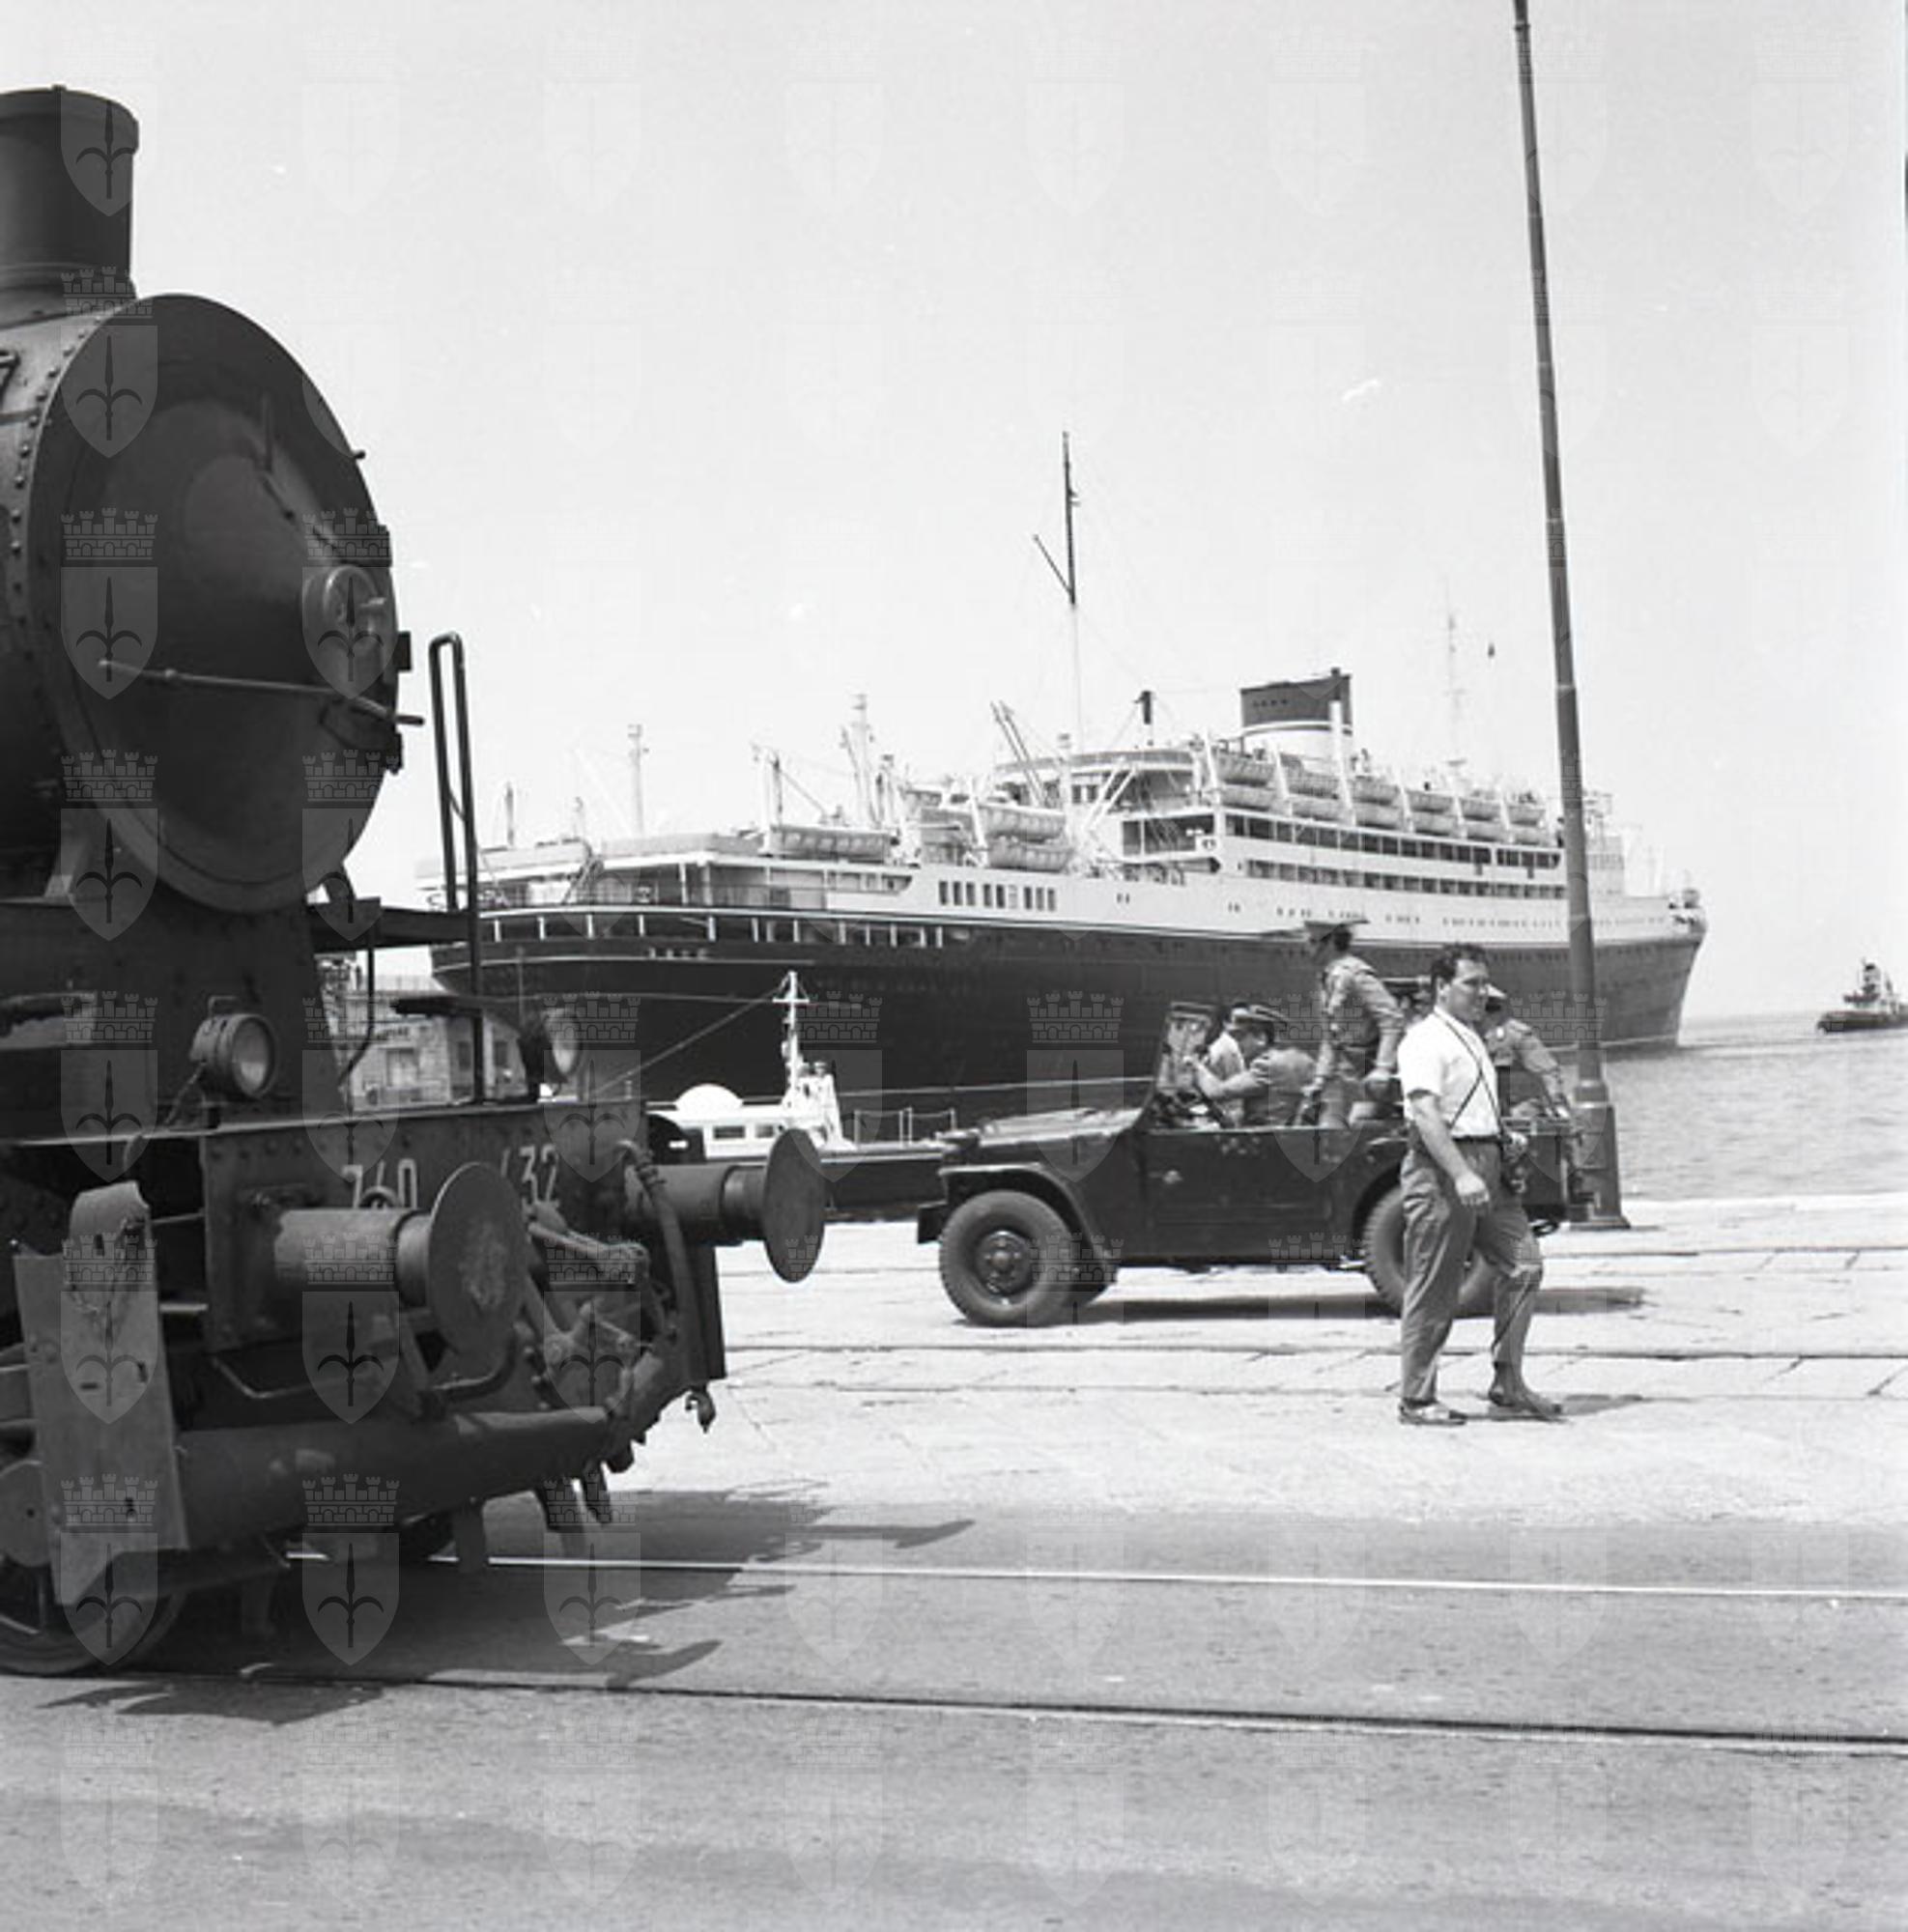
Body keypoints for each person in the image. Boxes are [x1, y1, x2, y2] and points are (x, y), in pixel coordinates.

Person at [1394, 945, 1560, 1426]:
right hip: (1443, 1169)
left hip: (1488, 1164)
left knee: (1525, 1264)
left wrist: (1502, 1137)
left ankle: (1508, 1382)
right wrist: (1462, 1172)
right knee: (1434, 1285)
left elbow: (1471, 1106)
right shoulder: (1424, 1040)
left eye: (1484, 983)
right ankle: (1417, 1398)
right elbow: (1425, 1113)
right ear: (1441, 987)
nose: (1481, 992)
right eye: (1471, 983)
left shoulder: (1470, 1037)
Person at [1302, 922, 1405, 1128]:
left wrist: (1383, 1068)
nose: (1306, 948)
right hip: (1343, 1072)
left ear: (1330, 943)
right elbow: (1331, 1037)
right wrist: (1320, 1078)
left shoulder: (1357, 975)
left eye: (1312, 941)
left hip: (1367, 1071)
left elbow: (1392, 1018)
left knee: (1360, 1126)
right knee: (1326, 1131)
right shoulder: (1328, 977)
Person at [1191, 1003, 1312, 1126]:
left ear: (1261, 1038)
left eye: (1241, 1038)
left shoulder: (1265, 1065)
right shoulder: (1304, 1059)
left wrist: (1197, 1067)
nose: (1237, 1045)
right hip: (1288, 1131)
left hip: (1265, 1133)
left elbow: (1216, 1092)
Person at [1480, 989, 1572, 1125]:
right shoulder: (1466, 1036)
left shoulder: (1516, 1035)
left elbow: (1547, 1071)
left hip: (1519, 1111)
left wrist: (1557, 1105)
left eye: (1492, 1010)